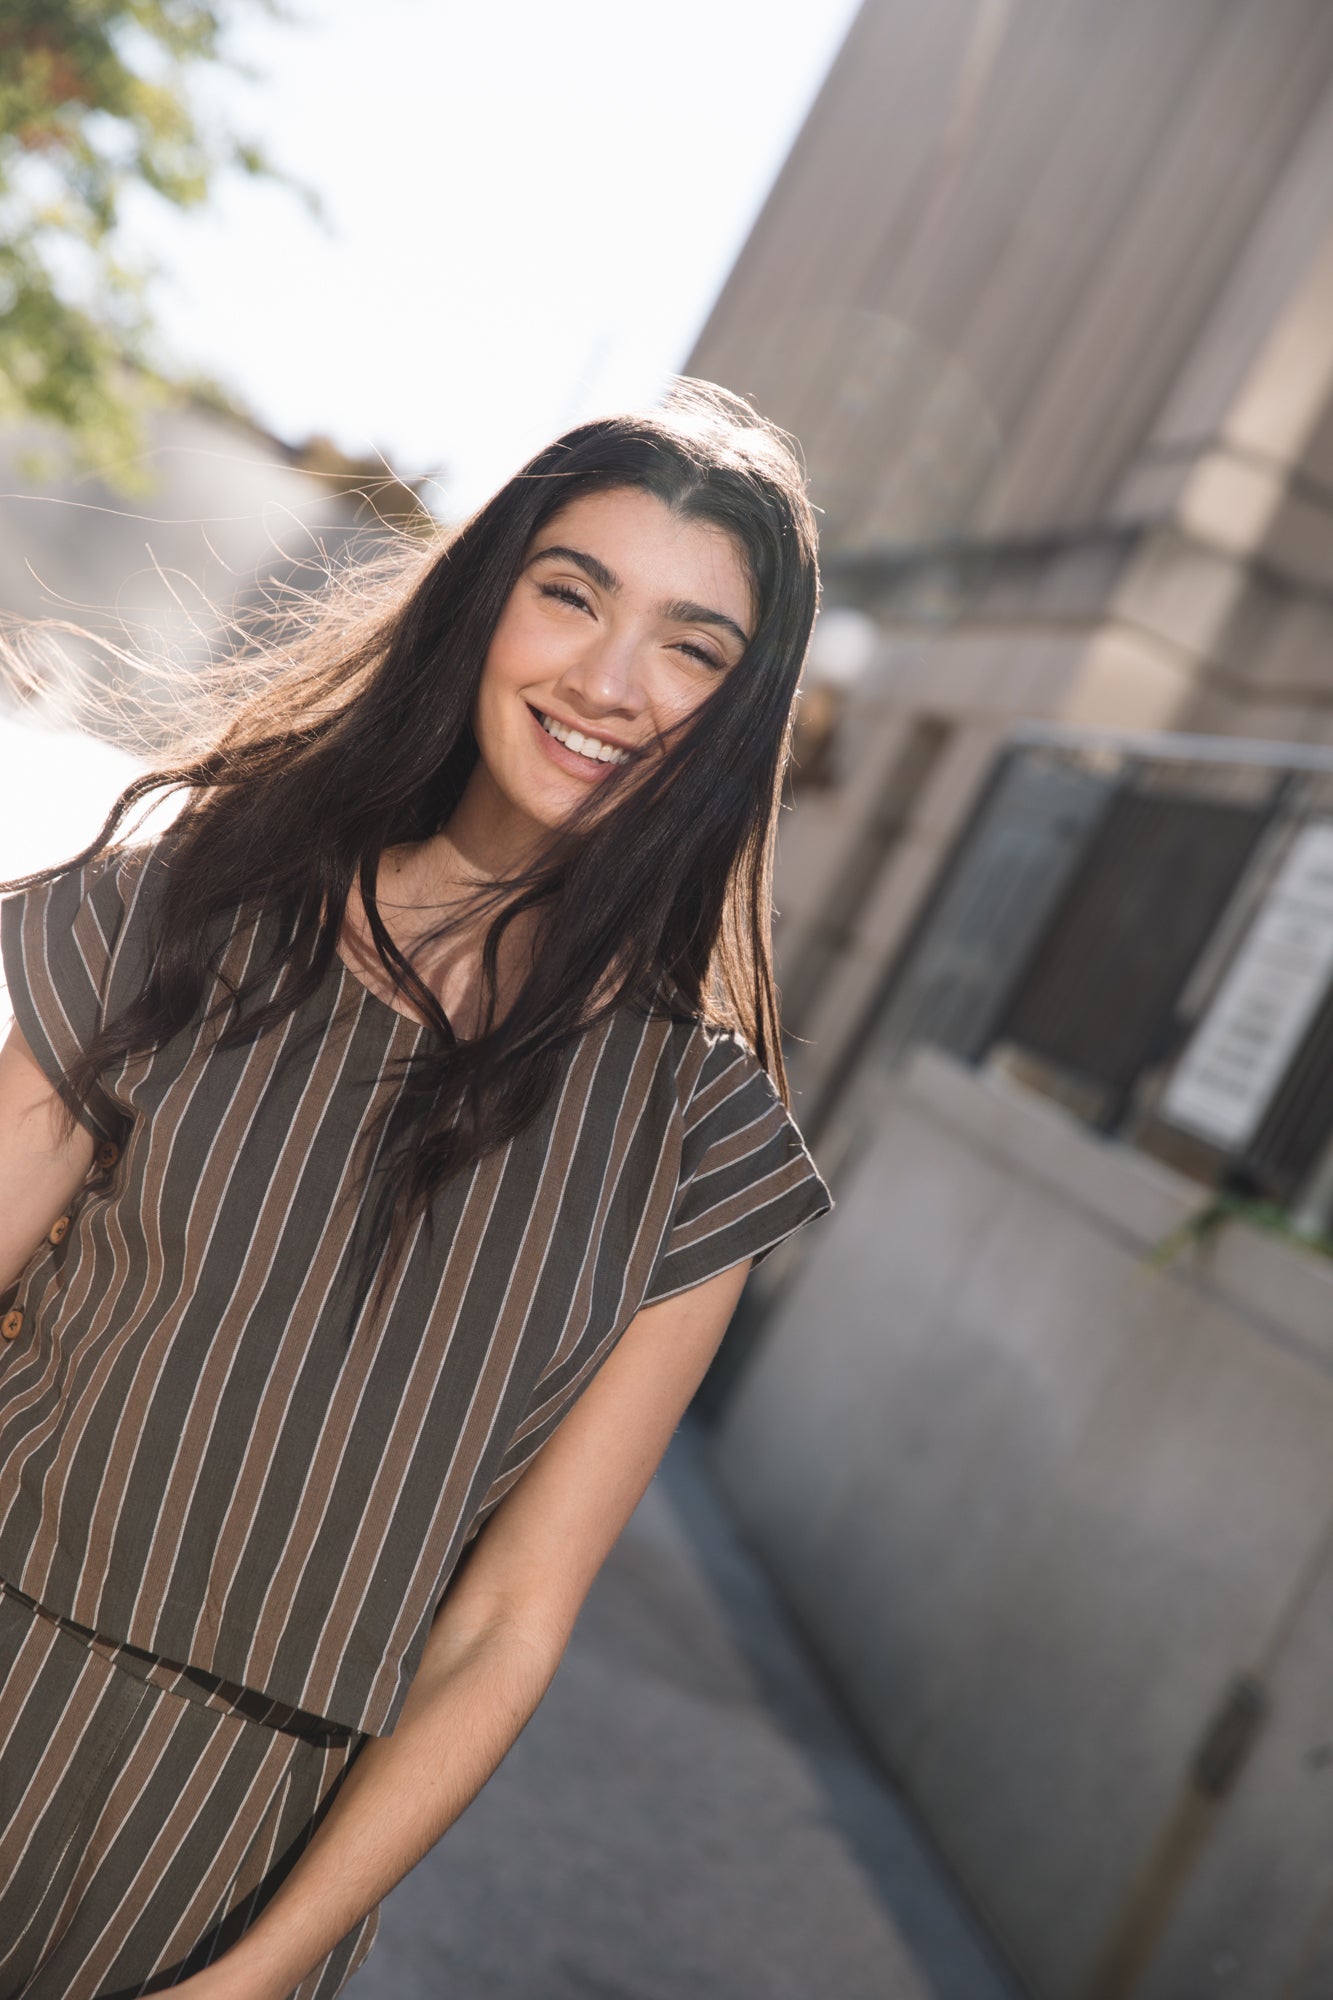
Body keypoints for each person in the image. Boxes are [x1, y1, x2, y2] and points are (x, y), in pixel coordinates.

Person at [0, 378, 832, 1998]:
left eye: (689, 647)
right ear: (483, 605)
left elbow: (506, 1627)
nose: (607, 682)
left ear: (737, 715)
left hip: (225, 1860)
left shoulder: (701, 1146)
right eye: (571, 595)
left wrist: (253, 1975)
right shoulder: (180, 914)